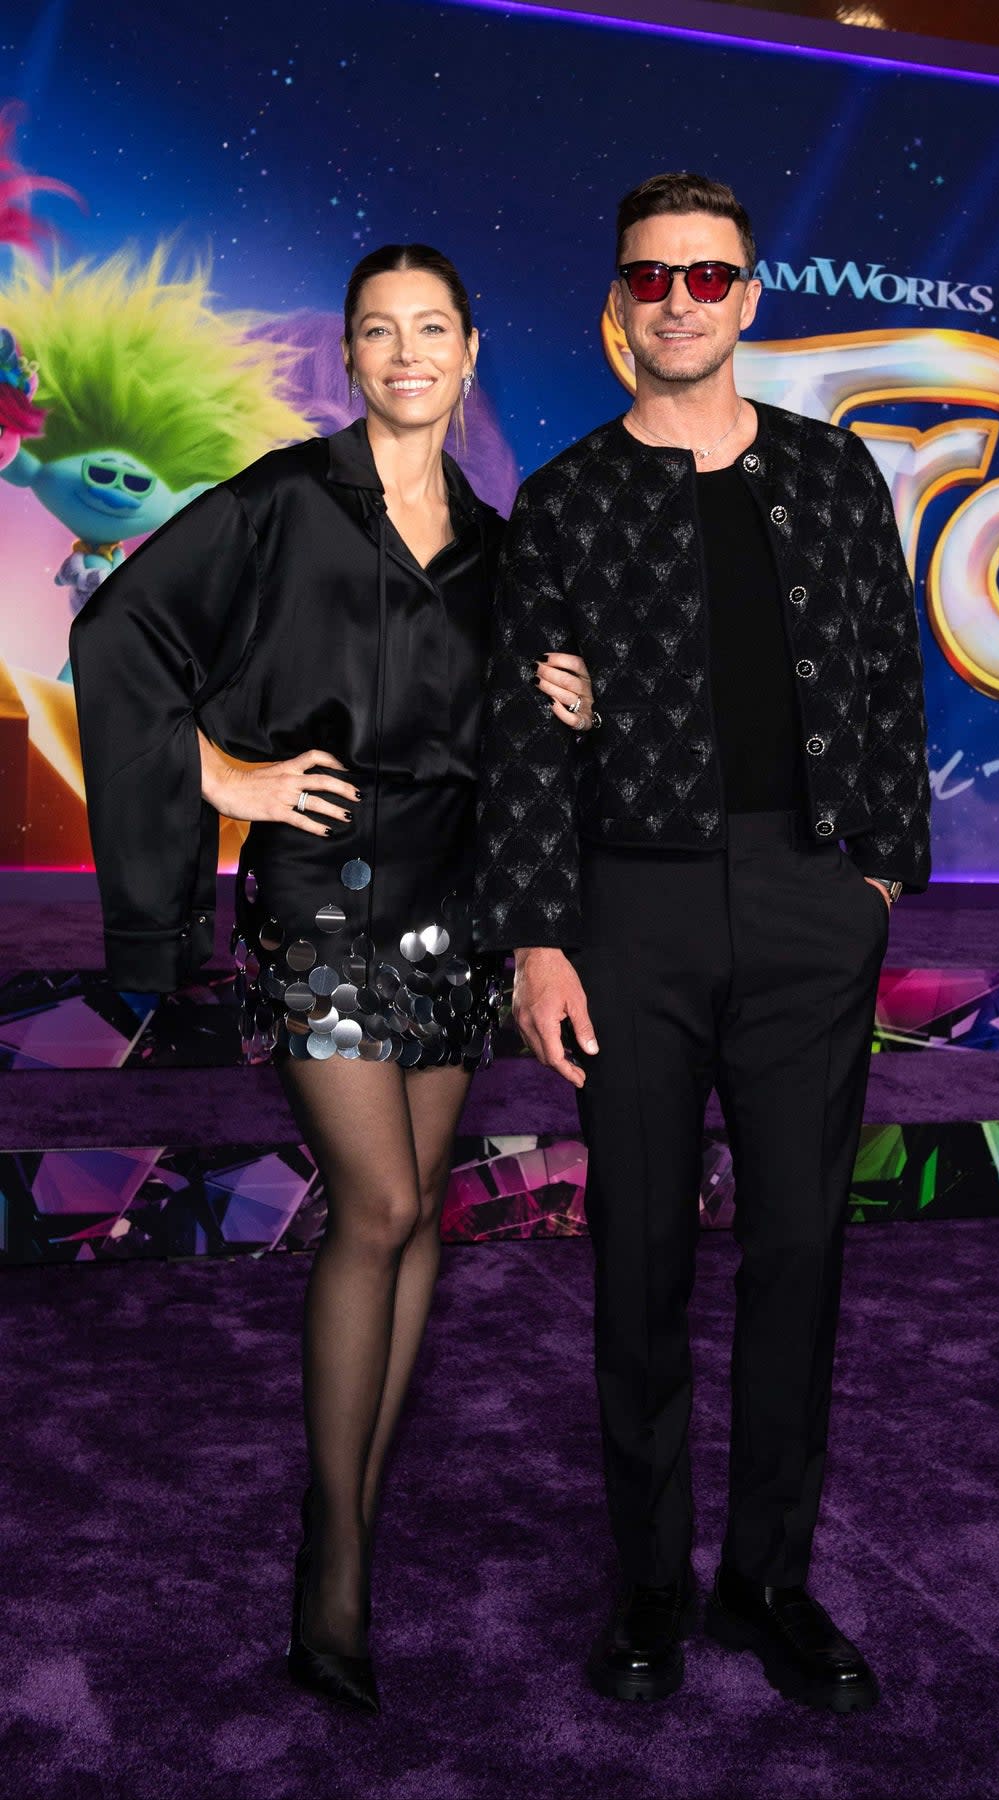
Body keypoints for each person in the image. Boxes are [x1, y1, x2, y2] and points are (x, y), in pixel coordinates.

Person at [70, 244, 595, 1717]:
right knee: (374, 1205)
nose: (408, 351)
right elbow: (119, 635)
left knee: (421, 1210)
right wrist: (226, 768)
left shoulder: (504, 548)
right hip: (322, 905)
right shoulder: (285, 502)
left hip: (457, 916)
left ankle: (350, 1489)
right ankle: (339, 1552)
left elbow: (514, 749)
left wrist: (570, 704)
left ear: (471, 353)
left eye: (434, 328)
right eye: (381, 330)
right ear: (351, 358)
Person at [475, 173, 931, 1712]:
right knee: (640, 1267)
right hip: (634, 917)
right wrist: (540, 941)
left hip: (814, 906)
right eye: (649, 278)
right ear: (620, 304)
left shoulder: (835, 476)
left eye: (707, 275)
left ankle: (770, 1581)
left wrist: (877, 883)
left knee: (801, 1255)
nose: (678, 300)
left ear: (751, 296)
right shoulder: (566, 499)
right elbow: (526, 742)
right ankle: (652, 1589)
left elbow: (889, 677)